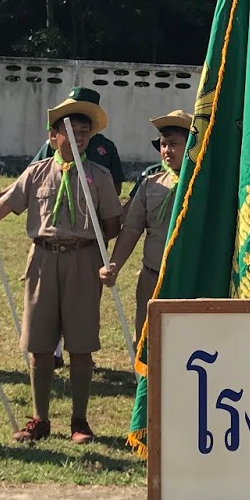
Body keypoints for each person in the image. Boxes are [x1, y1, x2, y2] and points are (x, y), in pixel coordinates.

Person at [0, 95, 121, 444]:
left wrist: (102, 250)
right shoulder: (36, 174)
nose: (78, 137)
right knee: (39, 344)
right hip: (43, 260)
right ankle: (40, 418)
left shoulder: (100, 176)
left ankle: (79, 421)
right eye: (70, 131)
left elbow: (112, 225)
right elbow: (1, 208)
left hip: (83, 260)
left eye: (84, 132)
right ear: (53, 136)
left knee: (81, 345)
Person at [101, 109, 191, 338]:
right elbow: (132, 230)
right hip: (153, 276)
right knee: (148, 338)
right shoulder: (151, 184)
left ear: (192, 144)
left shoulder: (205, 185)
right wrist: (114, 265)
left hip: (191, 279)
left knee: (189, 340)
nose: (167, 150)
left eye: (173, 144)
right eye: (163, 144)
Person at [30, 86, 123, 186]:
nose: (78, 136)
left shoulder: (107, 147)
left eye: (84, 129)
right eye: (72, 129)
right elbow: (32, 176)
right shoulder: (56, 142)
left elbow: (116, 185)